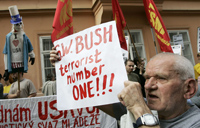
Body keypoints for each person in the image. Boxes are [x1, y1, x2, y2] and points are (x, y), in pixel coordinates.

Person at [50, 48, 200, 127]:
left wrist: (139, 108)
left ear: (188, 89)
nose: (148, 86)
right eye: (147, 78)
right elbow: (93, 94)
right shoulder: (143, 109)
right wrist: (67, 65)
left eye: (161, 78)